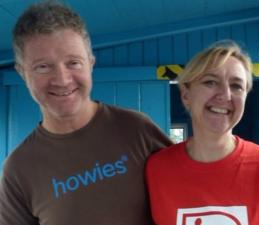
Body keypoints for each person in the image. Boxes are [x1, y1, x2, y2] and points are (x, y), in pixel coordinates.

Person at [0, 1, 172, 225]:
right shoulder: (18, 169)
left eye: (73, 62)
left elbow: (191, 193)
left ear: (90, 63)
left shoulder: (136, 129)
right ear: (23, 73)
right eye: (43, 66)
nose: (62, 79)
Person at [146, 40, 259, 225]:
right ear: (186, 95)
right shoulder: (156, 169)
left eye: (237, 86)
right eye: (210, 82)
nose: (225, 95)